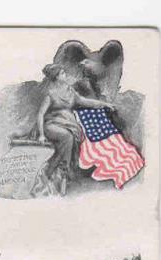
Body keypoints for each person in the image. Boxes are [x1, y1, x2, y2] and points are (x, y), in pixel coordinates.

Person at [31, 63, 117, 197]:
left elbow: (85, 101)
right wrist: (41, 134)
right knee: (67, 137)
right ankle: (56, 170)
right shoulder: (50, 93)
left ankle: (56, 171)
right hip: (52, 125)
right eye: (63, 73)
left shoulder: (69, 91)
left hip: (69, 125)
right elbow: (41, 114)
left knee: (69, 136)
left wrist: (104, 104)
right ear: (57, 77)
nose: (65, 75)